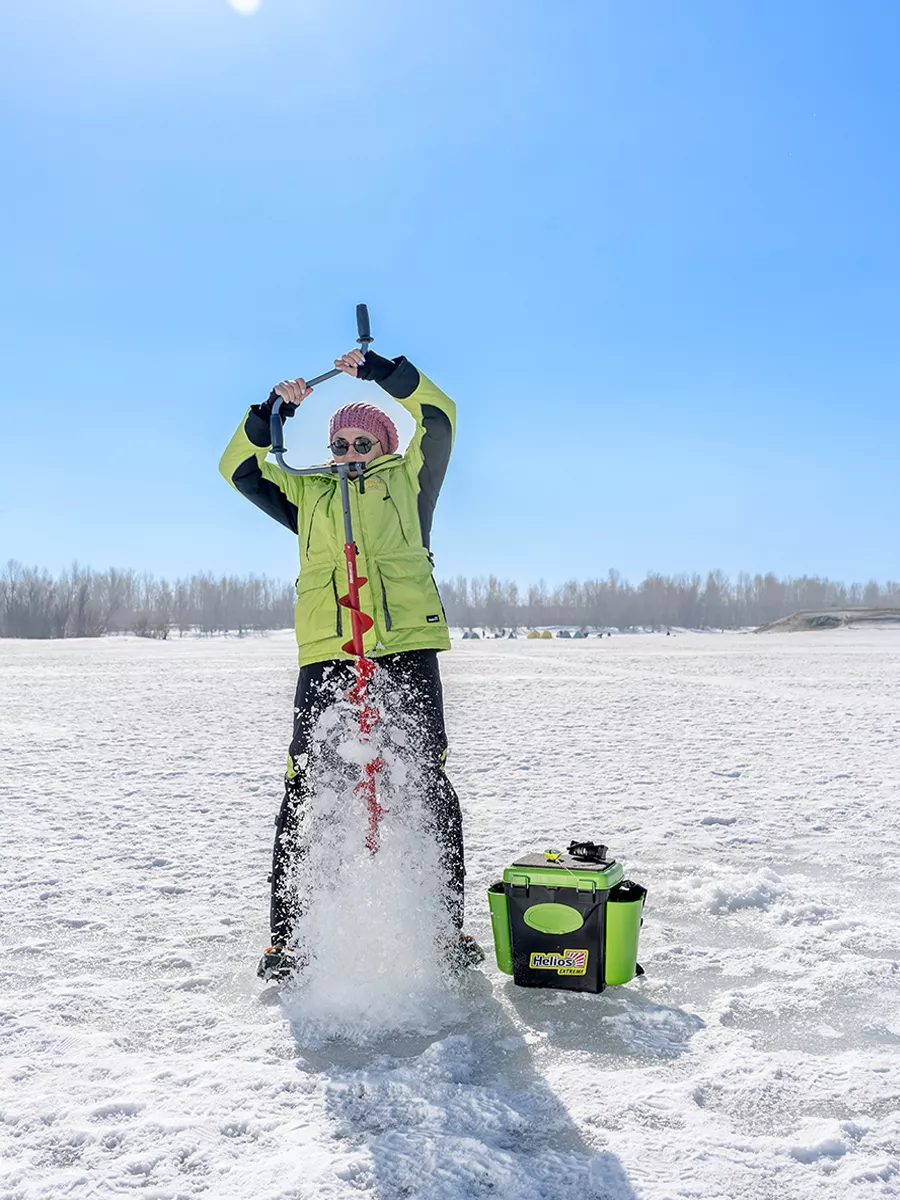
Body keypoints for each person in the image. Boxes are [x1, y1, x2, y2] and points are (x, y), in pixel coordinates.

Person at [219, 346, 480, 981]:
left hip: (403, 651)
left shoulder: (409, 480)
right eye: (341, 442)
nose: (351, 450)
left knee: (423, 780)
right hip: (329, 657)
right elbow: (237, 468)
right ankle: (291, 938)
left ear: (384, 445)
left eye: (364, 440)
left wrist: (386, 375)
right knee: (307, 784)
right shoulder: (306, 493)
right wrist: (271, 413)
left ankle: (444, 934)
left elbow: (439, 417)